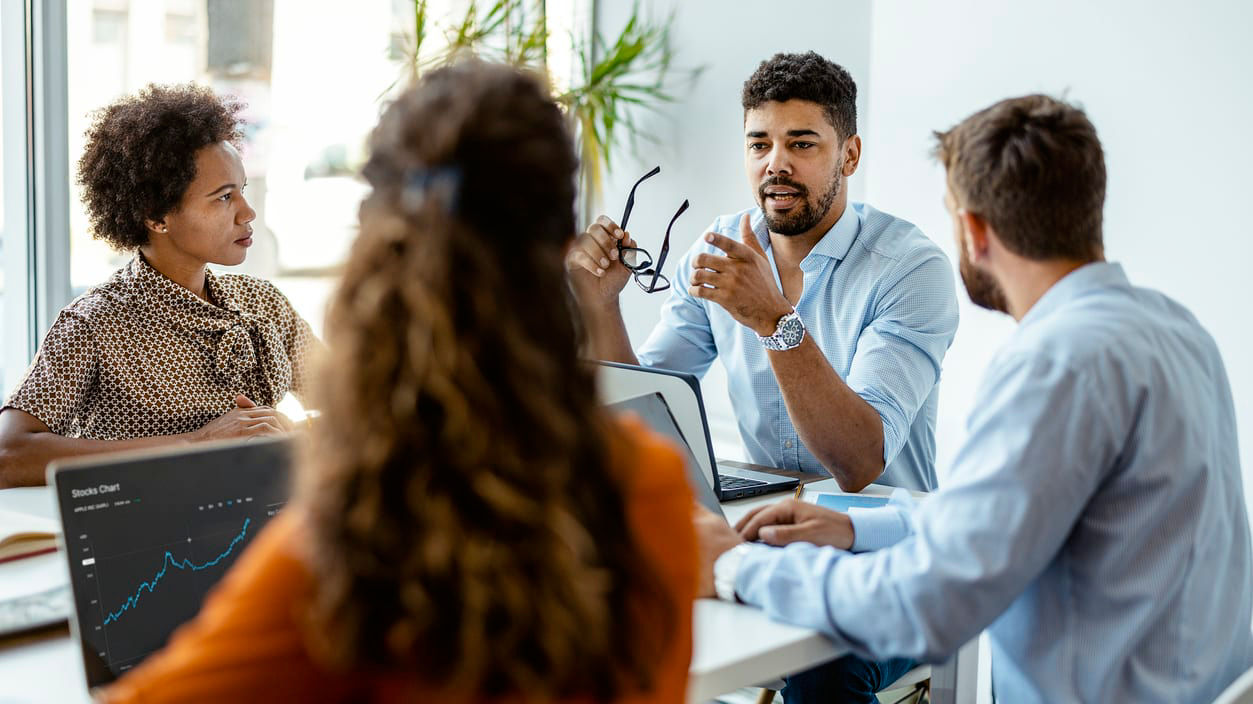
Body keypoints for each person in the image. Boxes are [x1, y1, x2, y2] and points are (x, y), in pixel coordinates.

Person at [99, 61, 698, 704]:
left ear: (377, 245)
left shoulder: (341, 559)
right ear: (561, 242)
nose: (244, 210)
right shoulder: (651, 489)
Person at [696, 94, 1253, 702]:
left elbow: (928, 603)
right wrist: (856, 530)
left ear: (975, 231)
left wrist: (734, 564)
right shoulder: (1176, 330)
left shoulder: (1057, 366)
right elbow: (1003, 519)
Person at [567, 51, 957, 701]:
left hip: (888, 560)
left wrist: (774, 320)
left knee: (820, 673)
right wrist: (603, 303)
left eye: (801, 143)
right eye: (759, 143)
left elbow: (858, 461)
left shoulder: (909, 269)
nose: (775, 162)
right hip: (765, 535)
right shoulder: (719, 248)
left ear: (849, 155)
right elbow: (646, 412)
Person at [0, 84, 318, 488]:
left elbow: (356, 408)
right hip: (150, 540)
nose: (247, 212)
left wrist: (295, 434)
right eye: (223, 197)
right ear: (156, 216)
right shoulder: (94, 325)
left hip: (263, 523)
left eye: (243, 191)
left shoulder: (263, 302)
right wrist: (194, 444)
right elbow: (8, 456)